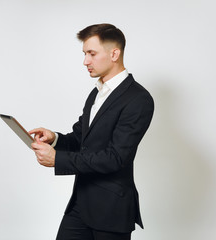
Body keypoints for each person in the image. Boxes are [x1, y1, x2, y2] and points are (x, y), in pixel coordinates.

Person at [29, 23, 154, 240]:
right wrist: (55, 138)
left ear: (114, 53)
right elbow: (81, 139)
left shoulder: (139, 99)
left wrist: (58, 159)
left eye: (91, 53)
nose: (85, 61)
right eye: (85, 53)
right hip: (80, 203)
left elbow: (115, 158)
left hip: (111, 210)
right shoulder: (96, 93)